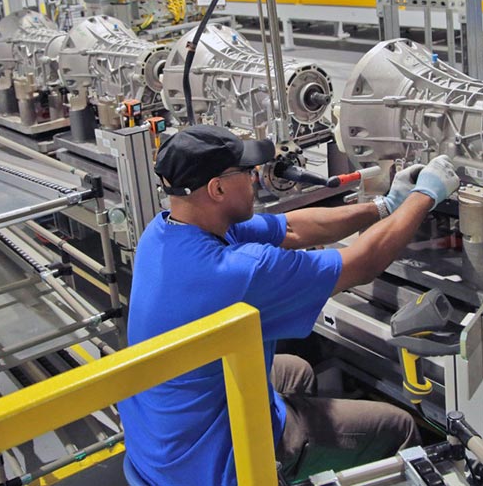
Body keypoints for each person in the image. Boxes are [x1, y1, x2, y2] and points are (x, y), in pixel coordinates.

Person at [119, 125, 461, 486]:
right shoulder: (237, 272)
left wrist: (384, 206)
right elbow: (362, 263)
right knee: (398, 426)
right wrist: (424, 197)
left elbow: (294, 228)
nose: (255, 179)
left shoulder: (166, 231)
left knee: (296, 370)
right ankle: (284, 460)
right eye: (245, 172)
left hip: (158, 439)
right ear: (217, 189)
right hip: (207, 465)